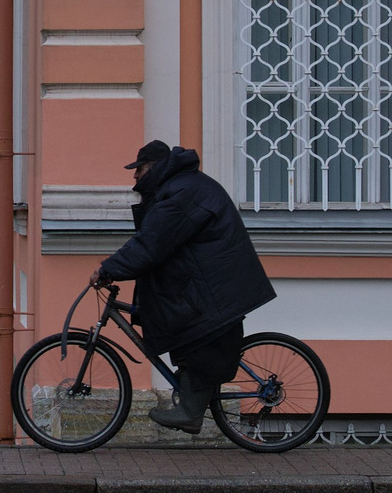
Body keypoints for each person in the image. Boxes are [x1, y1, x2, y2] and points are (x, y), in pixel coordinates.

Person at [89, 141, 276, 434]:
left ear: (152, 167)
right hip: (209, 282)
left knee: (199, 336)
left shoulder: (182, 193)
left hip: (214, 288)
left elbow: (151, 243)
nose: (134, 177)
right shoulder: (180, 187)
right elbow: (155, 242)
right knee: (179, 325)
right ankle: (189, 401)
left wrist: (109, 268)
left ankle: (190, 412)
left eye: (138, 170)